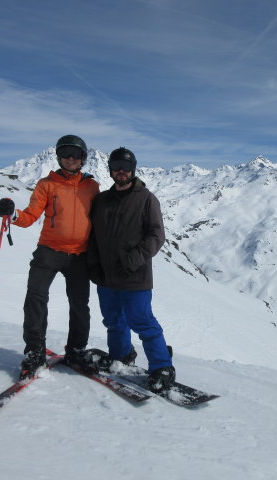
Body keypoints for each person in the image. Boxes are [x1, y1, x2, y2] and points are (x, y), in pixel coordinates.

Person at [0, 134, 100, 379]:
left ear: (83, 158)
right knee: (35, 297)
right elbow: (30, 216)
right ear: (59, 157)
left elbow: (101, 218)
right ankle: (34, 351)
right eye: (66, 154)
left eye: (76, 154)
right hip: (49, 250)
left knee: (79, 305)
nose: (71, 158)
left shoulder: (92, 186)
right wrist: (12, 216)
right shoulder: (47, 184)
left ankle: (76, 350)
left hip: (79, 255)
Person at [87, 147, 175, 393]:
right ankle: (121, 356)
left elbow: (157, 235)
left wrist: (135, 258)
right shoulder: (102, 200)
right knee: (113, 320)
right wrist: (93, 262)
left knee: (142, 321)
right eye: (116, 166)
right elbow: (93, 235)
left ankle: (162, 367)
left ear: (133, 169)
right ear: (110, 169)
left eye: (125, 167)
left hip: (135, 276)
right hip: (106, 276)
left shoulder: (146, 199)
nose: (121, 171)